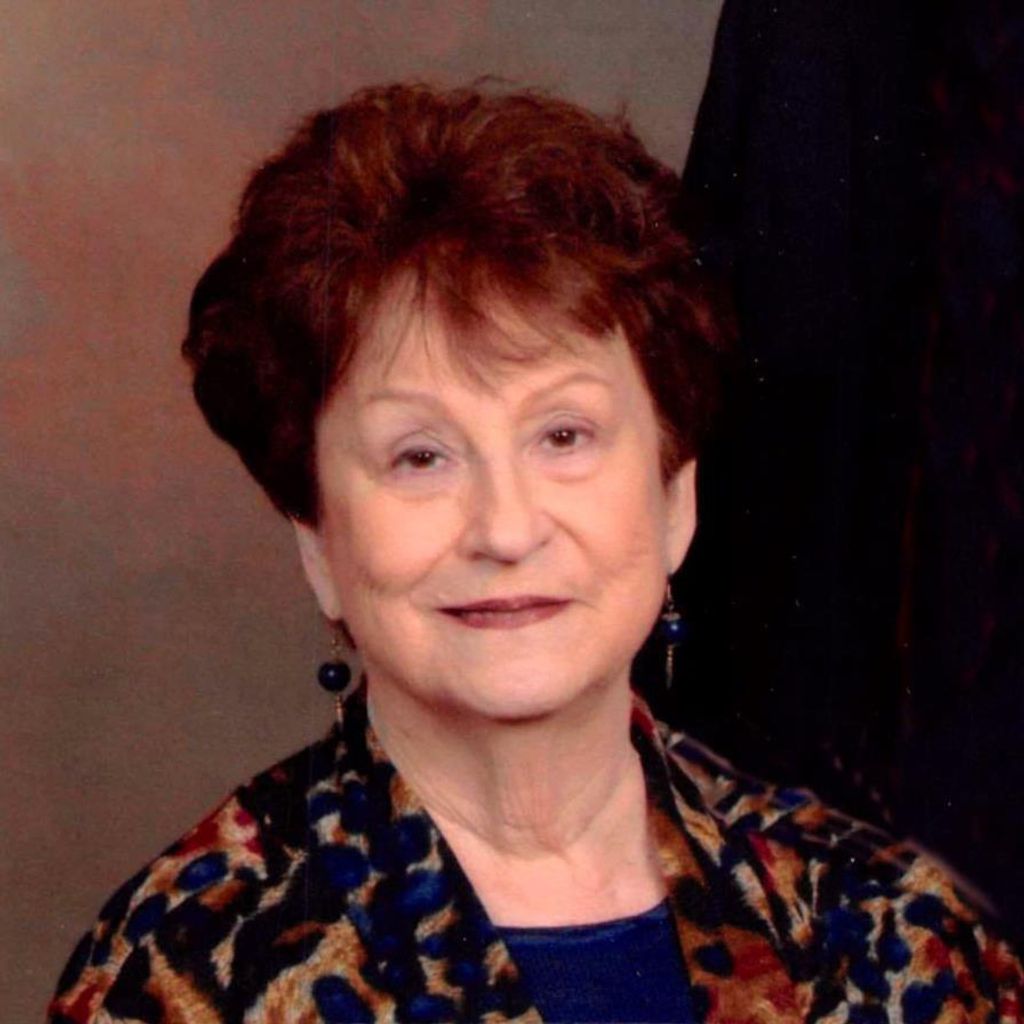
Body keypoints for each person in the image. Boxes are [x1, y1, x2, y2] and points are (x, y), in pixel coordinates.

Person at [48, 82, 1022, 1024]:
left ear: (674, 496)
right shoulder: (184, 970)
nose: (506, 529)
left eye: (564, 435)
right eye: (419, 456)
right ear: (317, 538)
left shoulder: (894, 931)